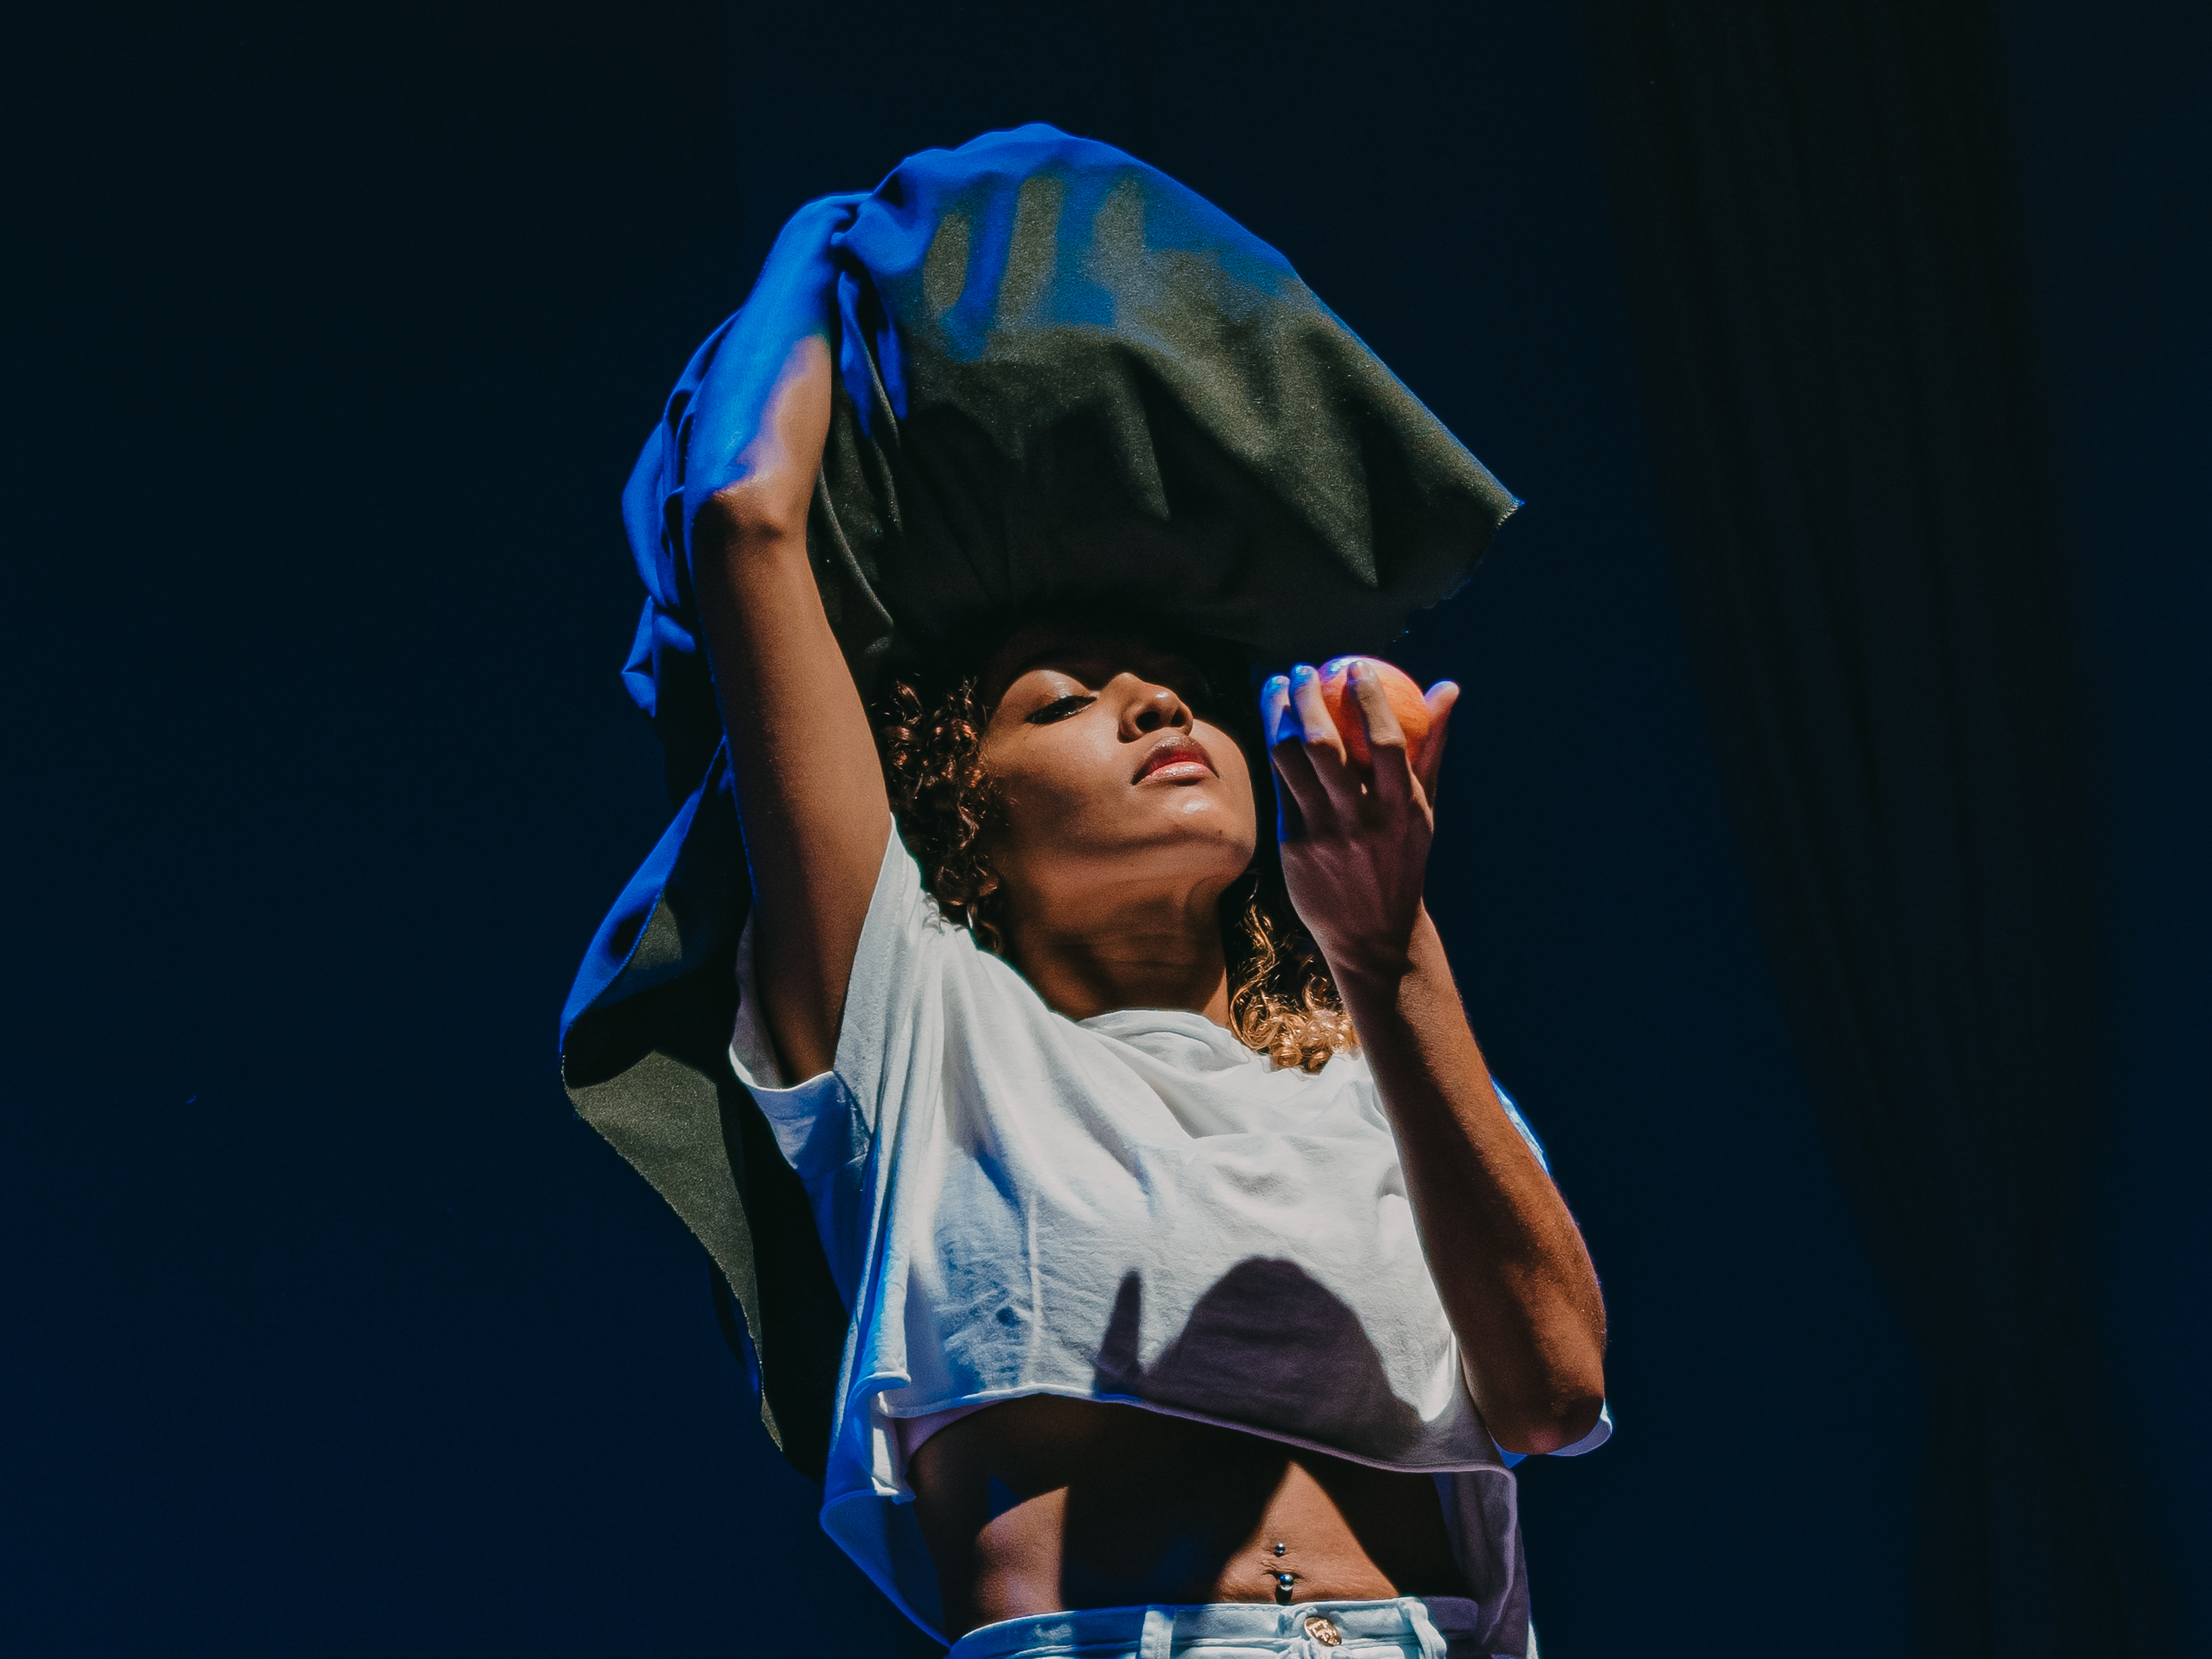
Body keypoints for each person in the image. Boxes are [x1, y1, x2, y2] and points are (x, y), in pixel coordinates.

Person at [690, 325, 1609, 1659]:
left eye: (1184, 695)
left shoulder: (1372, 1081)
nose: (1159, 712)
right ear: (961, 807)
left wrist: (1382, 941)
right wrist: (834, 248)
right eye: (1064, 701)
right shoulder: (920, 1026)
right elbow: (745, 519)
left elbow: (1553, 1398)